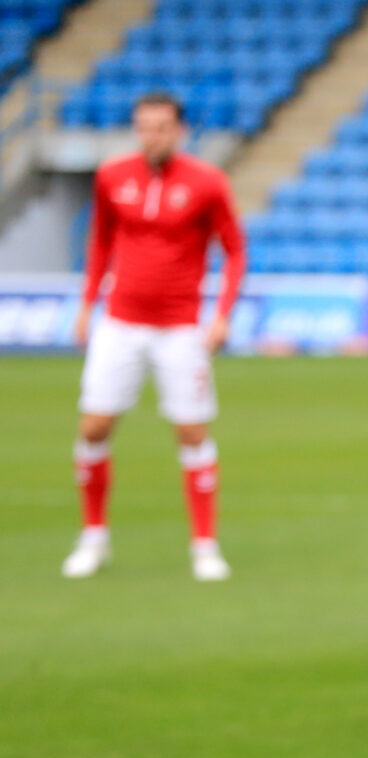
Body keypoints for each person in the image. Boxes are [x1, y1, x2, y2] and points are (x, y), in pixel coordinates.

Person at [64, 92, 245, 582]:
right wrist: (86, 304)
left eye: (162, 127)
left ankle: (205, 545)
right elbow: (100, 241)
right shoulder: (112, 176)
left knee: (192, 432)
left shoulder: (207, 182)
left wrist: (222, 314)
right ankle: (93, 537)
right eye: (144, 127)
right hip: (120, 322)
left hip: (180, 327)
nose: (152, 136)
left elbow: (234, 249)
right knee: (94, 428)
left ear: (180, 131)